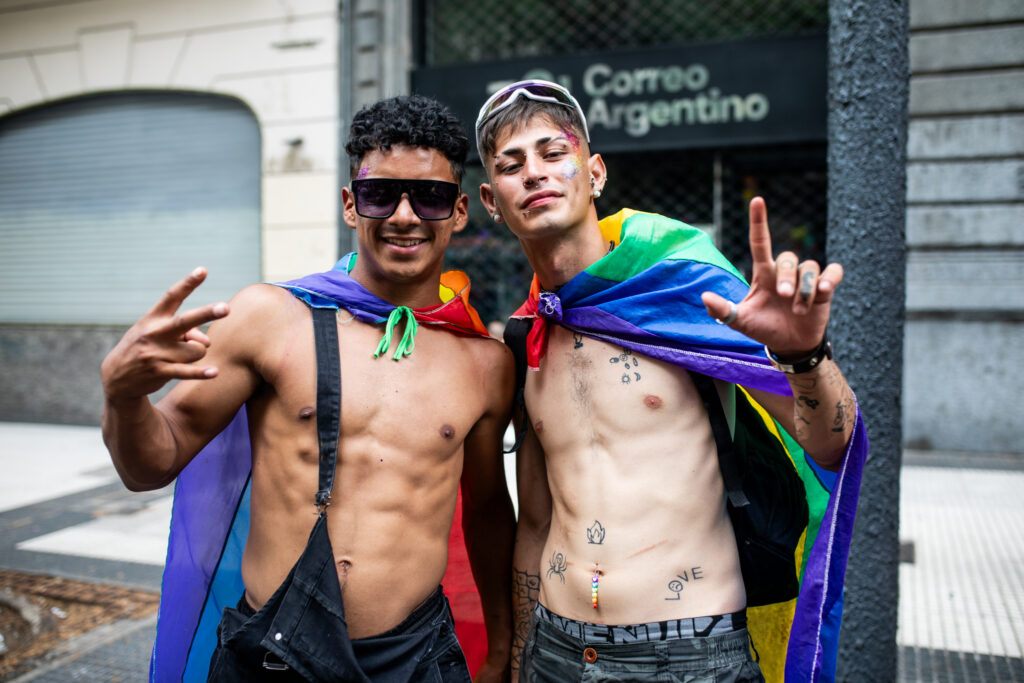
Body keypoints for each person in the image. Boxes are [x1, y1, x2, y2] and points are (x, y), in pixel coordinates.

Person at [101, 94, 515, 682]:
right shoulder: (271, 319)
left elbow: (489, 514)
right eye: (379, 194)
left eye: (429, 196)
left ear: (458, 211)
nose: (404, 215)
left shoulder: (485, 364)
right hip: (273, 656)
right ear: (351, 204)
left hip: (414, 659)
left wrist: (503, 643)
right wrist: (123, 398)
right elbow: (148, 465)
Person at [475, 80, 868, 682]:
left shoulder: (686, 292)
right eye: (512, 164)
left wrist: (805, 355)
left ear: (595, 172)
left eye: (553, 153)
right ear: (491, 200)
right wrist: (524, 653)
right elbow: (535, 521)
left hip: (688, 653)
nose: (535, 173)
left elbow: (831, 446)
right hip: (554, 650)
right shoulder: (526, 335)